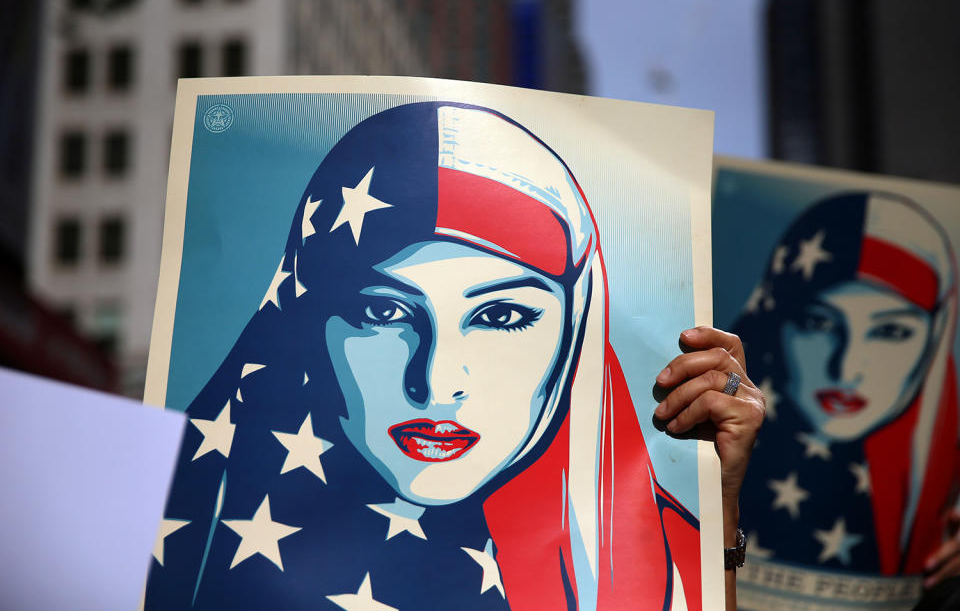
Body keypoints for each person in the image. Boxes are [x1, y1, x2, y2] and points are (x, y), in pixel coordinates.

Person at [145, 101, 763, 610]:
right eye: (384, 313)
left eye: (500, 316)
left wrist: (721, 505)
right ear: (310, 317)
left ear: (575, 335)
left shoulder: (665, 561)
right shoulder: (176, 527)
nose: (438, 383)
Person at [733, 192, 959, 588]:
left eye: (890, 331)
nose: (848, 368)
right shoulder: (703, 445)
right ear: (776, 318)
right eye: (818, 323)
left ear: (935, 342)